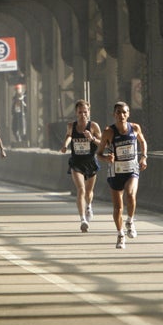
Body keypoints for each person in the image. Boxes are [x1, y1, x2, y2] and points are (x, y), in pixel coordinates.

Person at [96, 101, 149, 249]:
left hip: (132, 169)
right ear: (114, 115)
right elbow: (98, 154)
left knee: (131, 194)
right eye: (118, 112)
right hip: (116, 172)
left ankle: (130, 221)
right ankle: (120, 234)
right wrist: (107, 158)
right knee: (118, 207)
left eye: (124, 112)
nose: (121, 115)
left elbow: (143, 142)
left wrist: (144, 156)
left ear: (128, 114)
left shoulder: (135, 128)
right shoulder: (108, 132)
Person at [60, 99, 102, 233]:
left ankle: (89, 205)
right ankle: (83, 219)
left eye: (85, 112)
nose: (82, 115)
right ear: (76, 113)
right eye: (80, 112)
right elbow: (68, 136)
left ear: (89, 112)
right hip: (76, 162)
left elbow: (102, 144)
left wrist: (92, 138)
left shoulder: (94, 126)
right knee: (81, 190)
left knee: (89, 193)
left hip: (90, 161)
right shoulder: (71, 126)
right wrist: (65, 145)